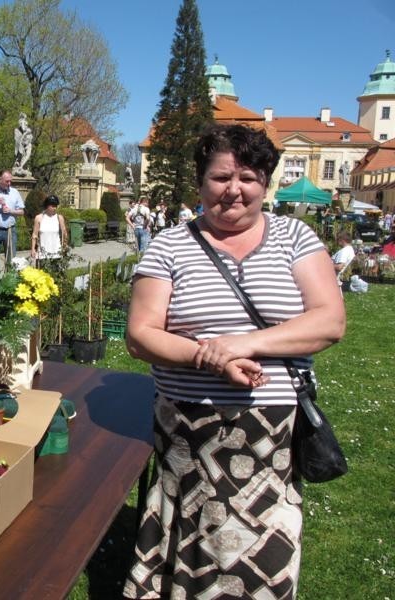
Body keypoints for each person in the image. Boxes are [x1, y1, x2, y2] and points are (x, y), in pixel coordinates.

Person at [124, 124, 345, 599]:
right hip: (188, 426)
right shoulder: (170, 245)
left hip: (272, 431)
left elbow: (329, 321)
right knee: (186, 536)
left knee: (260, 548)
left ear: (265, 182)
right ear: (200, 183)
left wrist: (244, 343)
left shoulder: (295, 238)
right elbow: (140, 335)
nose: (234, 189)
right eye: (220, 177)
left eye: (247, 177)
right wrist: (210, 359)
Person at [30, 194, 67, 264]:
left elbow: (64, 233)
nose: (54, 208)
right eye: (52, 206)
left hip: (56, 253)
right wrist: (33, 249)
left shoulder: (59, 218)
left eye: (56, 206)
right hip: (42, 254)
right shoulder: (39, 218)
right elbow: (34, 235)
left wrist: (65, 247)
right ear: (47, 206)